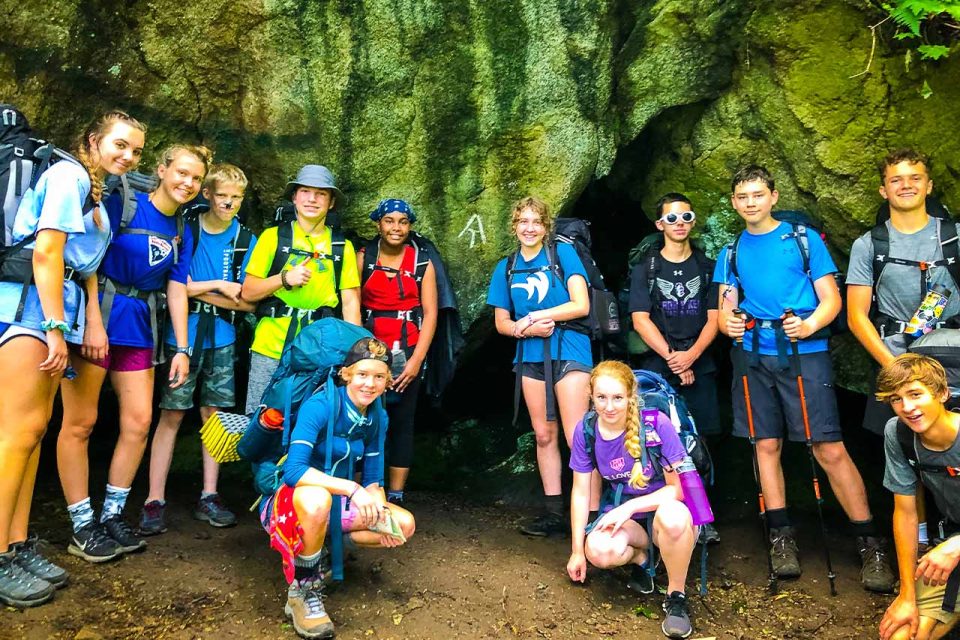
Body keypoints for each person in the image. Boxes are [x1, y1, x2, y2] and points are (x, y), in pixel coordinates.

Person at [714, 164, 894, 592]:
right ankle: (780, 537)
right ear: (734, 203)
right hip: (754, 356)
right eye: (743, 197)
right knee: (766, 444)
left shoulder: (803, 240)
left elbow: (831, 300)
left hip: (803, 353)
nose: (751, 203)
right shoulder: (731, 250)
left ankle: (871, 542)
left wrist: (810, 325)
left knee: (828, 446)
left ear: (773, 196)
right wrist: (730, 324)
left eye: (758, 194)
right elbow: (724, 309)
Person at [0, 110, 145, 606]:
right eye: (120, 145)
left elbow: (81, 264)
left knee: (34, 432)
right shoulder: (68, 175)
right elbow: (47, 253)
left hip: (52, 307)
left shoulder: (97, 192)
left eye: (136, 150)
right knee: (16, 434)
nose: (127, 155)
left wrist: (82, 322)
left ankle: (16, 545)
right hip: (27, 309)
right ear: (93, 141)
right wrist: (57, 328)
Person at [57, 144, 208, 562]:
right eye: (181, 173)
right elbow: (85, 256)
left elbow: (177, 286)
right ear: (161, 170)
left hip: (141, 326)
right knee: (81, 422)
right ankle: (82, 522)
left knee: (139, 422)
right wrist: (90, 319)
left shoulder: (182, 227)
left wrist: (182, 347)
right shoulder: (122, 201)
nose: (187, 183)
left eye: (195, 179)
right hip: (98, 316)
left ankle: (112, 514)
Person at [260, 337, 415, 640]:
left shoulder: (377, 416)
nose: (370, 384)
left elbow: (373, 480)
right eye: (362, 374)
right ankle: (302, 593)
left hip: (339, 503)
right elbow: (293, 471)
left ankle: (328, 552)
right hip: (293, 502)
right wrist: (351, 488)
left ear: (388, 380)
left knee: (403, 524)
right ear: (346, 374)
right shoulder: (320, 405)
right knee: (318, 500)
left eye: (379, 376)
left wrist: (380, 515)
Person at [139, 164, 258, 534]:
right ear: (207, 193)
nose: (228, 202)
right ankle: (154, 499)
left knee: (214, 418)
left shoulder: (245, 239)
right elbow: (173, 285)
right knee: (171, 414)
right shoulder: (186, 227)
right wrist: (221, 286)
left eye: (235, 197)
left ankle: (210, 494)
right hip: (181, 337)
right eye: (221, 195)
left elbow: (249, 301)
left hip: (223, 339)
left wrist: (205, 290)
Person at [566, 360, 698, 639]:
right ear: (591, 395)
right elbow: (580, 491)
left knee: (672, 518)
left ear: (630, 396)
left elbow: (680, 490)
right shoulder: (586, 430)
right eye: (601, 397)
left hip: (669, 514)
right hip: (631, 523)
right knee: (599, 550)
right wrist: (577, 550)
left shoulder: (656, 424)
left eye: (617, 398)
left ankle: (676, 596)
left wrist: (628, 507)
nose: (609, 407)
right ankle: (645, 559)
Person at [487, 196, 593, 537]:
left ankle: (591, 514)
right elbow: (502, 322)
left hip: (570, 350)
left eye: (536, 222)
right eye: (523, 221)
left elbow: (581, 304)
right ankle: (553, 513)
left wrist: (538, 316)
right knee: (544, 435)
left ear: (545, 227)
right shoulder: (506, 267)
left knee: (578, 435)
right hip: (529, 355)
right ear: (514, 226)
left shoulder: (561, 254)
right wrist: (527, 327)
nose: (529, 228)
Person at [628, 192, 721, 544]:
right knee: (661, 443)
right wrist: (673, 358)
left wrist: (691, 356)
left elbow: (716, 318)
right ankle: (666, 517)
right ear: (659, 224)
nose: (678, 224)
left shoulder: (708, 267)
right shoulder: (646, 269)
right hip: (658, 369)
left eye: (685, 217)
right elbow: (640, 319)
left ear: (693, 222)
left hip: (701, 363)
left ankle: (703, 517)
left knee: (702, 442)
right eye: (671, 218)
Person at [847, 149, 960, 436]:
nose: (906, 185)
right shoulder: (870, 245)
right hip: (897, 357)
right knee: (902, 447)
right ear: (883, 190)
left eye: (915, 178)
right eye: (896, 180)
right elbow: (856, 316)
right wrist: (895, 368)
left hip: (954, 356)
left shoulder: (955, 237)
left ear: (929, 185)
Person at [241, 165, 361, 415]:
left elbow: (350, 303)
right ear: (294, 197)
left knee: (310, 421)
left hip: (320, 349)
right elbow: (249, 292)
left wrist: (356, 355)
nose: (312, 199)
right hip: (270, 343)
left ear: (331, 203)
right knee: (259, 419)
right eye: (305, 191)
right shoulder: (272, 238)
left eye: (321, 194)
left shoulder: (341, 246)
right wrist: (285, 278)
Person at [357, 199, 437, 505]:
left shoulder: (421, 262)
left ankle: (396, 493)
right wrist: (363, 360)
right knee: (364, 419)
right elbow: (351, 301)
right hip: (368, 351)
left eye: (403, 222)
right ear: (378, 224)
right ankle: (364, 487)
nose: (396, 227)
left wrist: (417, 361)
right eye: (389, 221)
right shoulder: (363, 257)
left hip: (408, 349)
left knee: (403, 420)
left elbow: (430, 314)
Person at [876, 354, 960, 640]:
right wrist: (906, 596)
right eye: (896, 399)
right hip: (950, 548)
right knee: (904, 634)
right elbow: (906, 513)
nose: (907, 408)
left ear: (942, 393)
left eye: (915, 394)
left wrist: (957, 546)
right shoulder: (898, 434)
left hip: (955, 548)